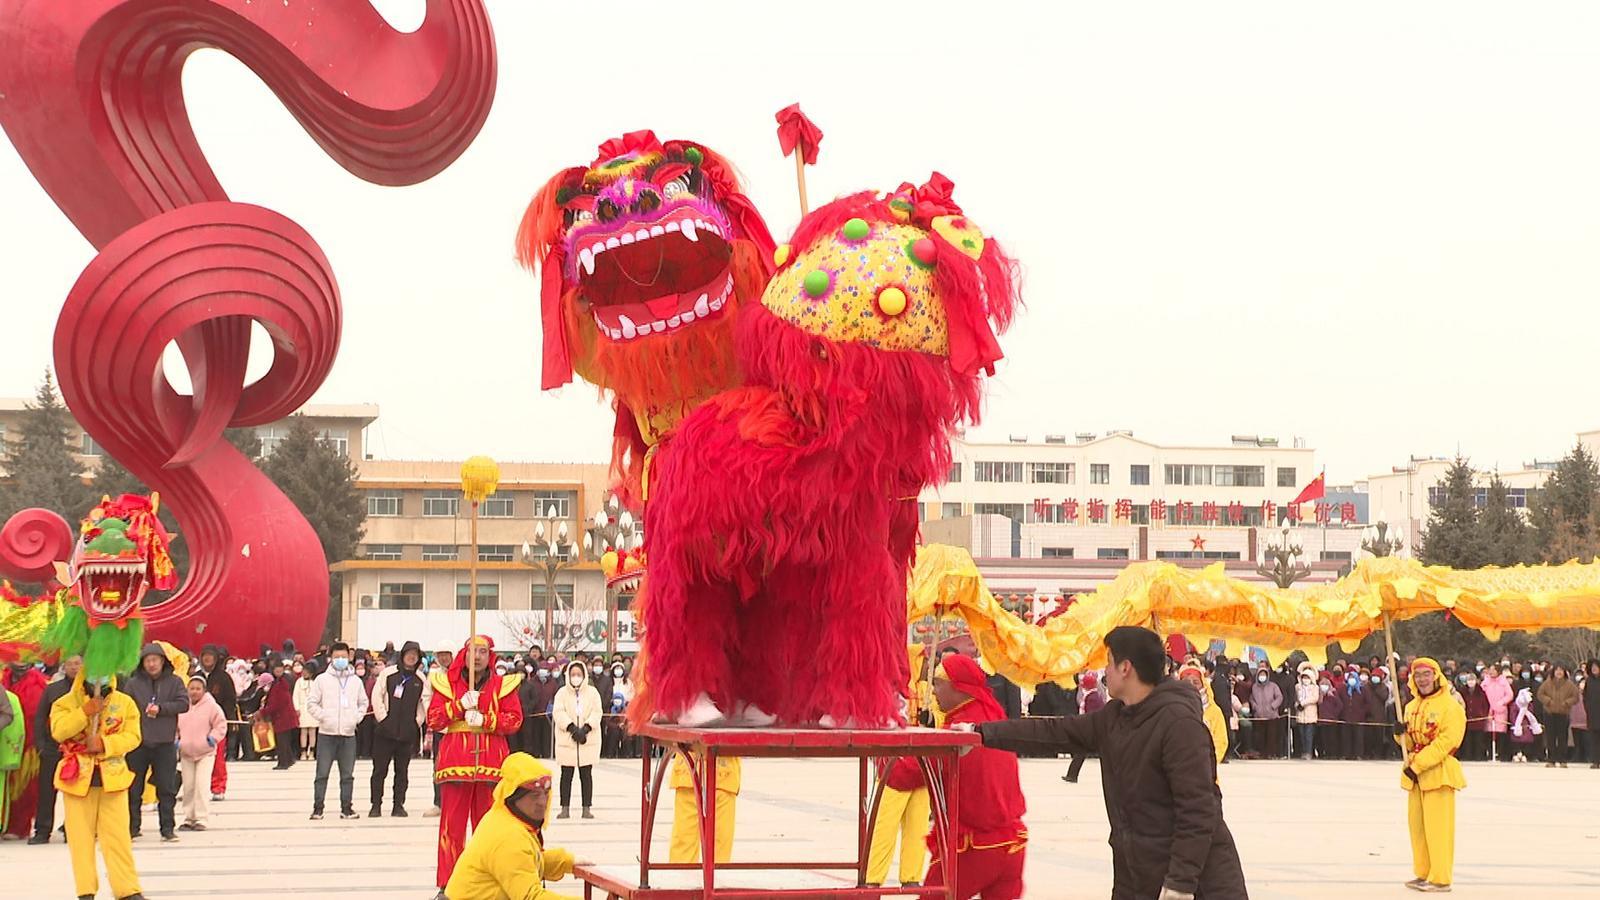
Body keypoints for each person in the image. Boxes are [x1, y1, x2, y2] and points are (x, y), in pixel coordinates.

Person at [972, 626, 1247, 899]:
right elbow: (1053, 732)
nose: (1106, 672)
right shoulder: (1115, 717)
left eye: (1108, 663)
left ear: (1125, 668)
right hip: (1137, 875)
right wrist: (981, 732)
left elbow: (1198, 810)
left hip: (1198, 883)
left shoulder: (1179, 724)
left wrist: (1181, 883)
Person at [427, 635, 523, 897]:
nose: (478, 656)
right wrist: (458, 706)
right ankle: (449, 884)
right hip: (456, 762)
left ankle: (488, 883)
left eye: (483, 651)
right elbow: (433, 720)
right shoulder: (447, 683)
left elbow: (514, 721)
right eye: (473, 651)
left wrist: (486, 719)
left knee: (489, 830)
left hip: (492, 765)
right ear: (464, 654)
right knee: (451, 829)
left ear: (490, 655)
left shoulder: (503, 685)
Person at [51, 672, 145, 900]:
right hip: (77, 780)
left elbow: (133, 737)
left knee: (118, 838)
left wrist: (105, 743)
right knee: (80, 841)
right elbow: (59, 731)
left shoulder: (125, 702)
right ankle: (86, 891)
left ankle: (127, 890)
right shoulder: (64, 703)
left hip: (113, 779)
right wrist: (84, 712)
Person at [442, 752, 580, 899]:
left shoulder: (504, 817)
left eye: (546, 793)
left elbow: (526, 863)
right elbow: (531, 897)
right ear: (514, 797)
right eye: (534, 796)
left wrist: (568, 862)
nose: (542, 802)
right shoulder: (509, 836)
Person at [1396, 657, 1465, 893]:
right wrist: (1399, 734)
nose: (1422, 679)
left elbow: (1447, 742)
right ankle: (1423, 872)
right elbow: (1409, 741)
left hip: (1438, 773)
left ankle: (1441, 878)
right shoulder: (1411, 706)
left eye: (1426, 674)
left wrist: (1418, 765)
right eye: (1418, 675)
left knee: (1439, 829)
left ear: (1436, 676)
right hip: (1415, 776)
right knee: (1418, 829)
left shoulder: (1450, 706)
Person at [123, 643, 188, 841]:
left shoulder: (175, 682)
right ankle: (132, 827)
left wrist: (162, 709)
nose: (151, 664)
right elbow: (124, 707)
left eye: (155, 660)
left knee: (166, 788)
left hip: (165, 742)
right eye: (147, 661)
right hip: (138, 743)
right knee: (134, 788)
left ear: (162, 662)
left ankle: (167, 828)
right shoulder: (133, 683)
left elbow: (183, 704)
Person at [305, 642, 368, 820]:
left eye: (343, 656)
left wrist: (356, 718)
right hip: (327, 734)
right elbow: (311, 703)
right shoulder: (322, 680)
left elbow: (363, 703)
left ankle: (346, 808)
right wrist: (324, 716)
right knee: (322, 774)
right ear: (330, 658)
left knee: (347, 775)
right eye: (336, 657)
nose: (340, 660)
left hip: (348, 735)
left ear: (349, 657)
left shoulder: (355, 681)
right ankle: (318, 808)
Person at [371, 640, 431, 818]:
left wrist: (417, 722)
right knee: (379, 771)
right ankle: (376, 805)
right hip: (385, 733)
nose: (412, 657)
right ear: (402, 654)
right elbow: (377, 696)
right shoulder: (389, 674)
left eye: (415, 654)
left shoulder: (420, 679)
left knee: (402, 773)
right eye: (409, 653)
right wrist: (383, 719)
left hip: (406, 734)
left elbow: (424, 703)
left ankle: (398, 805)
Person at [29, 655, 80, 843]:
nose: (74, 668)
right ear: (63, 667)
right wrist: (41, 744)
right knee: (46, 791)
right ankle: (42, 831)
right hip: (53, 747)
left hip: (78, 749)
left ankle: (72, 829)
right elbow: (40, 718)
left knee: (76, 792)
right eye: (70, 664)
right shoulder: (53, 689)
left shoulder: (88, 690)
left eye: (78, 664)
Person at [668, 751, 741, 864]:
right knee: (718, 845)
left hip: (691, 771)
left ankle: (681, 877)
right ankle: (712, 877)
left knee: (685, 843)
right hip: (720, 771)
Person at [1, 661, 46, 840]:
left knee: (25, 789)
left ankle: (20, 826)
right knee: (6, 789)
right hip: (5, 742)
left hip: (29, 746)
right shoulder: (4, 680)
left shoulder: (38, 684)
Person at [176, 675, 226, 832]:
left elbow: (221, 725)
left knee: (201, 785)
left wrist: (212, 739)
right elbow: (173, 726)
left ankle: (201, 818)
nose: (195, 692)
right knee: (188, 787)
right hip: (186, 753)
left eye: (198, 689)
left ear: (204, 690)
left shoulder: (212, 706)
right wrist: (177, 741)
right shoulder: (182, 705)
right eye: (192, 688)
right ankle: (189, 818)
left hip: (205, 753)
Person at [552, 660, 601, 819]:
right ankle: (564, 808)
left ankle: (586, 808)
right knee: (566, 775)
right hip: (568, 740)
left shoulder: (593, 692)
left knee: (586, 775)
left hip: (587, 740)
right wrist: (571, 728)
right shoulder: (561, 693)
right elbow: (558, 713)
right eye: (573, 674)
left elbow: (597, 712)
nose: (576, 677)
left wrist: (586, 728)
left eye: (579, 674)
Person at [195, 644, 236, 801]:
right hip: (197, 724)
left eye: (210, 655)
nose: (207, 658)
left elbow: (230, 700)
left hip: (217, 724)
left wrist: (227, 718)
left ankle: (218, 787)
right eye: (204, 655)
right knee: (196, 758)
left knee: (218, 757)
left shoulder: (223, 677)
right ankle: (199, 787)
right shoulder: (196, 676)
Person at [1177, 662, 1227, 766]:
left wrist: (1208, 762)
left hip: (1206, 769)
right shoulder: (1171, 709)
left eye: (1195, 682)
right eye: (1186, 682)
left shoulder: (1214, 711)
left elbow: (1221, 742)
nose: (1191, 686)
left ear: (1203, 684)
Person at [1536, 664, 1579, 768]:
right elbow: (1540, 694)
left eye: (1561, 670)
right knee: (1550, 737)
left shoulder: (1570, 684)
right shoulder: (1547, 683)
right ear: (1553, 672)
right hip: (1549, 714)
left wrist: (1567, 703)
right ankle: (1551, 759)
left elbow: (1575, 697)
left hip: (1563, 714)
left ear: (1564, 672)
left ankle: (1562, 759)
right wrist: (1548, 701)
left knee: (1562, 737)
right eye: (1557, 670)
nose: (1559, 672)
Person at [1063, 671, 1104, 782]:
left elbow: (1090, 715)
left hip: (1090, 729)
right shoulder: (1091, 696)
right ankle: (1072, 775)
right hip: (1089, 728)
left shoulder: (1093, 698)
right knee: (1080, 752)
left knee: (1081, 752)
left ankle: (1072, 775)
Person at [261, 660, 300, 769]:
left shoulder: (282, 683)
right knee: (284, 740)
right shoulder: (277, 682)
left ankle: (283, 762)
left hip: (283, 716)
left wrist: (264, 712)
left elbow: (277, 703)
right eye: (276, 670)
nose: (278, 672)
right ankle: (288, 759)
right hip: (282, 716)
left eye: (280, 670)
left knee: (282, 741)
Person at [1249, 664, 1283, 759]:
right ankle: (1262, 753)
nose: (1262, 676)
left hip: (1271, 715)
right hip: (1259, 715)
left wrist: (1273, 706)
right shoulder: (1254, 687)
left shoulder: (1273, 686)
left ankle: (1271, 754)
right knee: (1260, 736)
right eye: (1260, 674)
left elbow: (1279, 697)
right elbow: (1251, 698)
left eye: (1264, 674)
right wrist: (1255, 707)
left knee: (1271, 736)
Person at [1482, 664, 1513, 762]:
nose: (1491, 672)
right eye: (1490, 670)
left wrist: (1502, 702)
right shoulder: (1486, 682)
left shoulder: (1503, 682)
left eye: (1493, 670)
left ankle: (1500, 753)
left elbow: (1509, 695)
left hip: (1500, 710)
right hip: (1489, 709)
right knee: (1488, 732)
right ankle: (1490, 753)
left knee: (1500, 732)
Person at [292, 660, 319, 762]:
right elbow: (295, 696)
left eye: (307, 671)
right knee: (303, 731)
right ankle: (303, 752)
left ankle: (311, 752)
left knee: (312, 731)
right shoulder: (298, 682)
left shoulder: (315, 683)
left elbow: (318, 697)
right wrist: (297, 709)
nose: (304, 673)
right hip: (302, 709)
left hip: (312, 710)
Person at [1460, 671, 1490, 762]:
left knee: (1479, 740)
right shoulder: (1463, 691)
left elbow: (1486, 705)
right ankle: (1467, 756)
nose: (1471, 682)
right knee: (1467, 740)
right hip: (1467, 720)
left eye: (1472, 680)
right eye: (1469, 680)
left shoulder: (1481, 692)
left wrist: (1483, 715)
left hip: (1478, 721)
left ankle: (1479, 756)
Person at [1315, 672, 1344, 760]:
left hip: (1332, 720)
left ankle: (1333, 754)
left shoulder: (1333, 694)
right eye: (1322, 684)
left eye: (1326, 684)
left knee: (1332, 738)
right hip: (1322, 721)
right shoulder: (1319, 695)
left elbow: (1340, 705)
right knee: (1324, 739)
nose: (1324, 686)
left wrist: (1334, 714)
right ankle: (1326, 753)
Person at [1293, 665, 1319, 760]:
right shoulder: (1298, 687)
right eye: (1304, 678)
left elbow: (1315, 698)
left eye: (1307, 678)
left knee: (1309, 735)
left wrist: (1303, 703)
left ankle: (1308, 752)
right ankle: (1303, 751)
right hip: (1300, 715)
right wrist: (1297, 705)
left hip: (1310, 714)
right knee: (1302, 735)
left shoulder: (1315, 687)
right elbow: (1296, 698)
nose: (1305, 680)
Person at [1584, 660, 1600, 767]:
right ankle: (1595, 761)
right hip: (1592, 714)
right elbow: (1585, 697)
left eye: (1596, 667)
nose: (1594, 669)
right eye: (1592, 667)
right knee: (1594, 739)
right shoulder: (1588, 681)